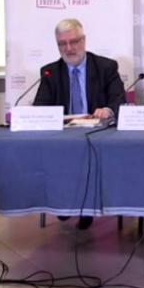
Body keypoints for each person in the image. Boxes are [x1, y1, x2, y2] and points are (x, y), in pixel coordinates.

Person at [33, 18, 127, 230]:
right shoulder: (49, 72)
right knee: (55, 154)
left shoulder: (105, 67)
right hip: (63, 135)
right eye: (62, 44)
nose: (69, 48)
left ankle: (85, 206)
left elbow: (119, 100)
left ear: (83, 40)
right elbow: (40, 107)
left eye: (73, 42)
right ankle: (65, 201)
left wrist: (108, 110)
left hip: (97, 133)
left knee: (89, 154)